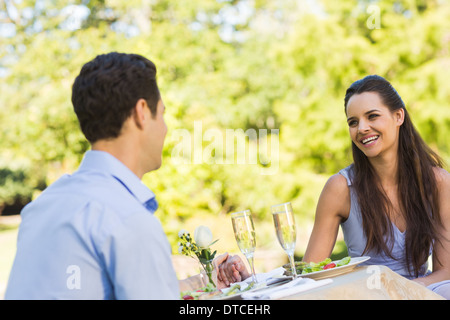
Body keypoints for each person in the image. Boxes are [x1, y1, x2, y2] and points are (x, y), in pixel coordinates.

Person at [5, 52, 228, 300]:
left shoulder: (41, 209)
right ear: (142, 112)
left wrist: (202, 281)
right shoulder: (127, 219)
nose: (165, 128)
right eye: (162, 114)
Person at [218, 75, 450, 299]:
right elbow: (309, 275)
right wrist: (250, 280)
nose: (362, 128)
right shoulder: (340, 188)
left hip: (420, 293)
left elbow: (446, 271)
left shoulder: (438, 183)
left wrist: (398, 290)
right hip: (363, 296)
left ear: (398, 116)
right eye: (353, 122)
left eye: (372, 116)